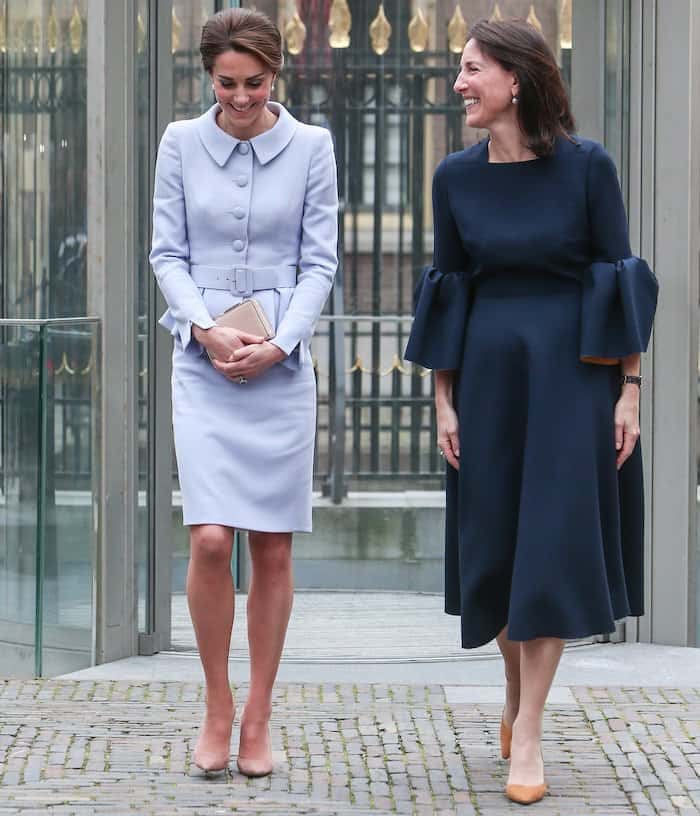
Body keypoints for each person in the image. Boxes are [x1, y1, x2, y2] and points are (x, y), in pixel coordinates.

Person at [405, 18, 657, 806]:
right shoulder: (454, 178)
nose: (458, 84)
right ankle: (515, 699)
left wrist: (631, 389)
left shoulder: (588, 168)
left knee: (549, 545)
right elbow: (448, 287)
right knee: (503, 548)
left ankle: (532, 728)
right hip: (486, 378)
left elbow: (619, 277)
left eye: (472, 69)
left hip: (572, 378)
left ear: (516, 78)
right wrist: (442, 400)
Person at [150, 8, 338, 777]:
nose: (239, 98)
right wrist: (203, 328)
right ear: (209, 77)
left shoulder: (314, 147)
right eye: (225, 84)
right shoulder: (179, 143)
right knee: (209, 539)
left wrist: (282, 342)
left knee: (271, 544)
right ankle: (216, 704)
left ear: (276, 73)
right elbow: (167, 251)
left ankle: (258, 714)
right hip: (203, 361)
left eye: (253, 83)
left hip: (281, 369)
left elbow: (320, 260)